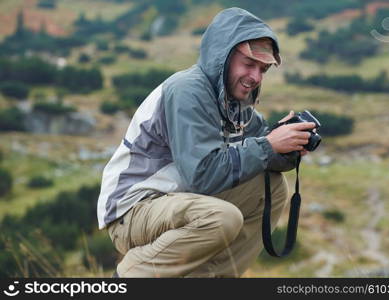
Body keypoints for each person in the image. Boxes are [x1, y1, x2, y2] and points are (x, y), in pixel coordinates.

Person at [97, 7, 315, 278]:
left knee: (272, 187)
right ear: (222, 57)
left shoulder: (237, 105)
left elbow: (261, 159)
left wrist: (288, 147)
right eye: (249, 64)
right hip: (133, 210)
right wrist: (269, 145)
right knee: (222, 217)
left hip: (178, 202)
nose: (256, 77)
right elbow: (203, 175)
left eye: (263, 69)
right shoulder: (187, 91)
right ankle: (132, 277)